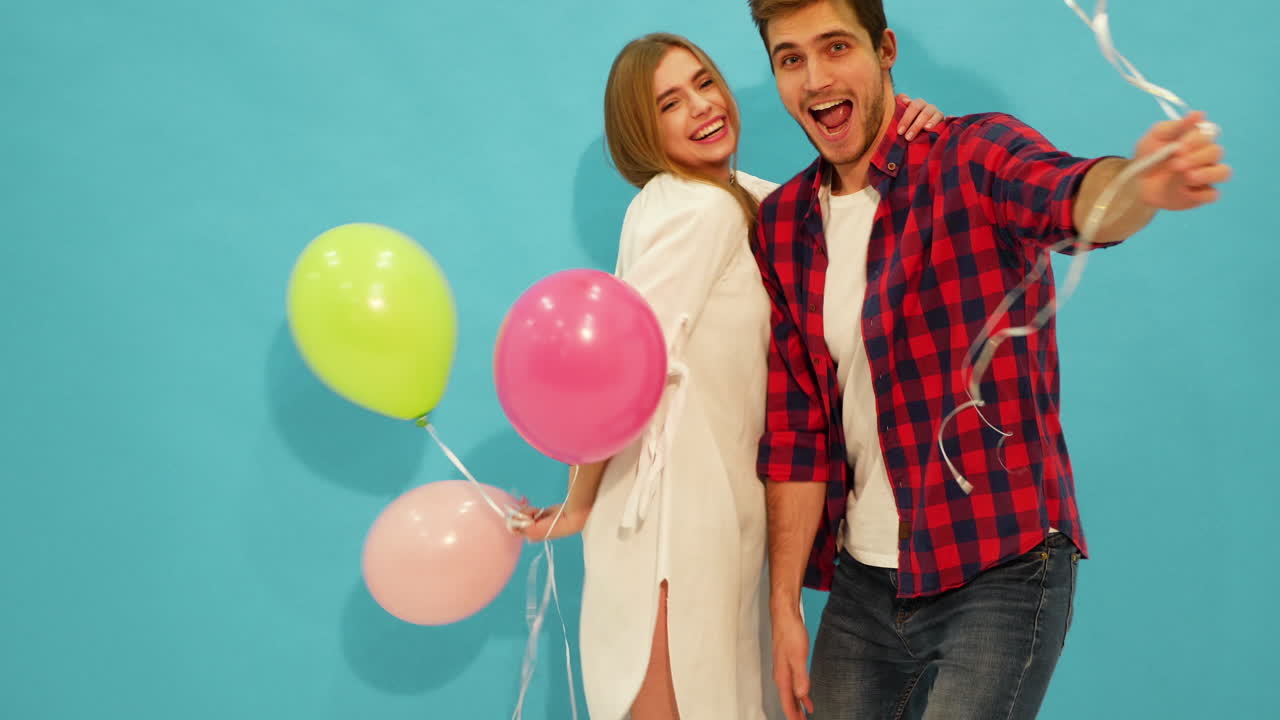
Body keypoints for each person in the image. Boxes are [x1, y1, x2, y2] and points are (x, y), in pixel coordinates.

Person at [744, 1, 1231, 719]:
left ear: (884, 50)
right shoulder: (784, 224)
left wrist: (1141, 184)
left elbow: (1066, 194)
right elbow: (797, 435)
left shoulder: (970, 155)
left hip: (999, 565)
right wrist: (784, 605)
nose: (815, 78)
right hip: (862, 588)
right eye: (791, 59)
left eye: (836, 47)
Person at [515, 33, 941, 720]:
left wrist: (907, 129)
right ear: (642, 133)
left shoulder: (734, 201)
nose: (702, 107)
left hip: (720, 514)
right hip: (673, 525)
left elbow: (830, 199)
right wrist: (580, 503)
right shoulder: (698, 210)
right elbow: (617, 367)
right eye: (669, 104)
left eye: (704, 83)